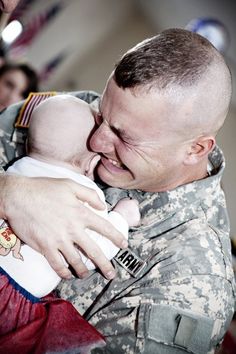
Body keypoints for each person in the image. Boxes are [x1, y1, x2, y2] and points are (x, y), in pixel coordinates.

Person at [0, 28, 235, 353]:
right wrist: (9, 191)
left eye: (125, 138)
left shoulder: (191, 278)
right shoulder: (72, 112)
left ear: (195, 149)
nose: (96, 141)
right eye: (102, 116)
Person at [0, 95, 140, 353]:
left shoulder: (15, 169)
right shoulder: (85, 192)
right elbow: (91, 251)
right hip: (11, 302)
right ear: (89, 164)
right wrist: (122, 217)